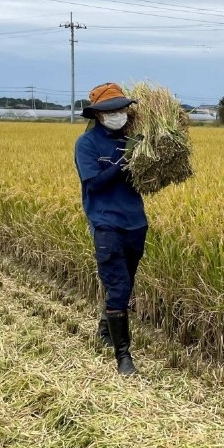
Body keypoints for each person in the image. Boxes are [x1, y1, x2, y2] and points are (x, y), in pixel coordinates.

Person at [73, 82, 146, 375]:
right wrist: (121, 164)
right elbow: (93, 183)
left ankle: (105, 332)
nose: (118, 114)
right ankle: (124, 358)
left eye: (121, 109)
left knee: (126, 283)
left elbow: (148, 181)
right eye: (111, 110)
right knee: (117, 287)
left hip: (136, 222)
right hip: (106, 224)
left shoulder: (134, 139)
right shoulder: (87, 144)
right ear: (98, 114)